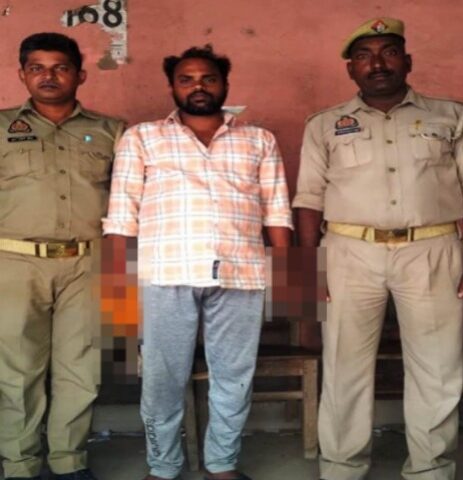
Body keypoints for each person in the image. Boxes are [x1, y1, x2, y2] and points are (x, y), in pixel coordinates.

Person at [293, 17, 463, 480]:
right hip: (348, 253)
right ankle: (342, 468)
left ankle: (431, 470)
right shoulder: (324, 125)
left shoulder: (454, 116)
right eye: (364, 56)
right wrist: (305, 273)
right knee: (343, 366)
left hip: (432, 250)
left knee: (438, 368)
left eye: (389, 52)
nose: (377, 64)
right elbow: (308, 200)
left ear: (408, 61)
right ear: (350, 69)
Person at [103, 44, 293, 480]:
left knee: (235, 375)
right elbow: (122, 213)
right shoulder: (142, 137)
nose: (198, 86)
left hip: (241, 273)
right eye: (186, 79)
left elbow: (277, 212)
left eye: (208, 78)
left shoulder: (259, 140)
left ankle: (222, 465)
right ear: (172, 87)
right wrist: (115, 290)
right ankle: (163, 466)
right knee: (162, 379)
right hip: (165, 273)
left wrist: (289, 278)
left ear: (225, 84)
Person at [0, 33, 124, 480]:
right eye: (37, 68)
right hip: (14, 261)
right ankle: (19, 463)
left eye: (60, 67)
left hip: (92, 262)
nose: (48, 76)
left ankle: (70, 461)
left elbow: (132, 199)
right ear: (22, 75)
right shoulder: (1, 128)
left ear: (80, 75)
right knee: (16, 369)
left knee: (83, 365)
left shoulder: (114, 131)